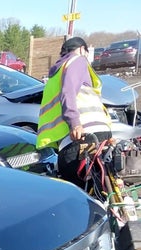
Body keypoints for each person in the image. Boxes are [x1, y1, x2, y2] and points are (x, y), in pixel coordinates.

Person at [36, 37, 112, 187]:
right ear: (82, 49)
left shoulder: (55, 74)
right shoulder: (77, 61)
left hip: (74, 139)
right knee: (98, 189)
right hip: (86, 133)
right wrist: (75, 123)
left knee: (83, 190)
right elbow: (68, 92)